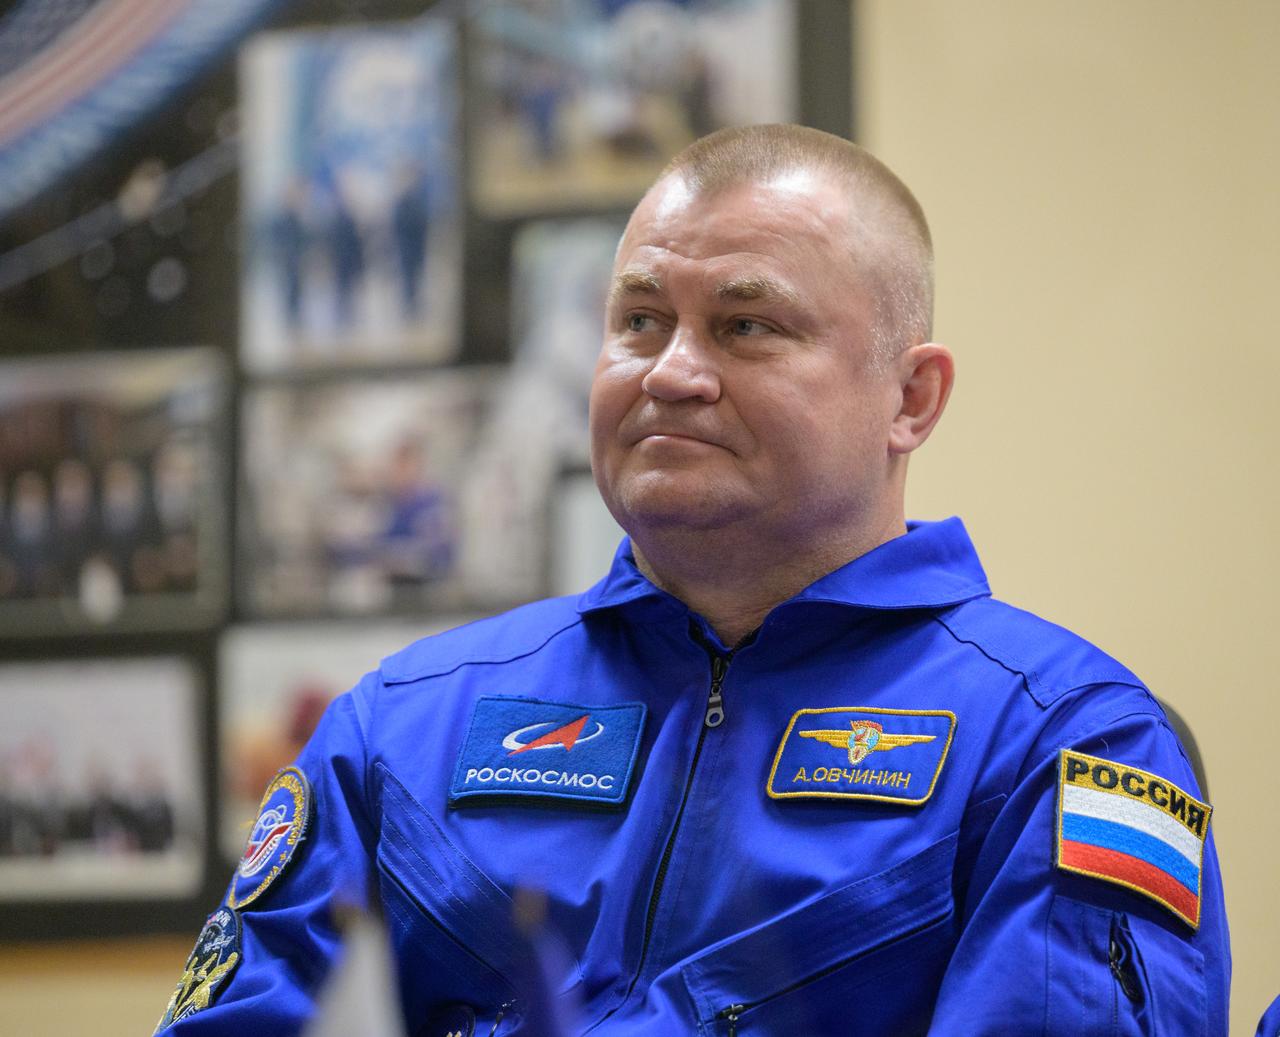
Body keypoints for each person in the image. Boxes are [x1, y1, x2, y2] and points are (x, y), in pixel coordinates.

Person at [157, 124, 1229, 1034]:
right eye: (636, 320)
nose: (669, 371)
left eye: (744, 326)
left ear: (910, 397)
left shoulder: (1059, 740)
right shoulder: (406, 723)